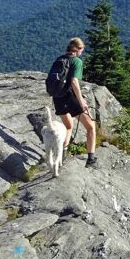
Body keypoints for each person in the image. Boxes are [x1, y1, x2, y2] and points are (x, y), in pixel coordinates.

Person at [53, 37, 97, 167]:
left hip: (57, 97)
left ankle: (62, 155)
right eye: (82, 50)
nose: (82, 52)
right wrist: (81, 100)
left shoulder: (59, 59)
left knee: (68, 127)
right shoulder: (76, 61)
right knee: (90, 127)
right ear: (78, 49)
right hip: (70, 97)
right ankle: (91, 159)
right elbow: (74, 82)